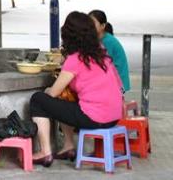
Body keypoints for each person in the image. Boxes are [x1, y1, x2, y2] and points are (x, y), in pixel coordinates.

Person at [28, 11, 123, 167]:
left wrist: (47, 92)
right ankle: (68, 146)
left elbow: (53, 92)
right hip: (113, 117)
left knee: (38, 100)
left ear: (68, 35)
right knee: (66, 98)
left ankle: (45, 152)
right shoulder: (102, 55)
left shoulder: (75, 59)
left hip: (94, 118)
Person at [89, 9, 131, 93]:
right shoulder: (99, 39)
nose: (89, 26)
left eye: (93, 23)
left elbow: (99, 63)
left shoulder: (108, 41)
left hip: (118, 82)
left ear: (102, 26)